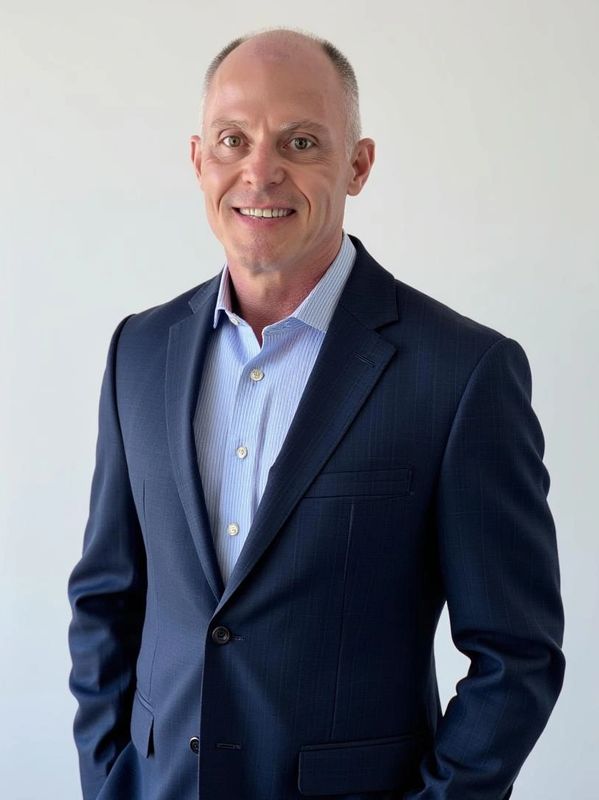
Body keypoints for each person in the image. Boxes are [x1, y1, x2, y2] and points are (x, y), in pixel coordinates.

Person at [67, 27, 565, 800]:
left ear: (357, 165)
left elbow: (516, 653)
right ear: (197, 159)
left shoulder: (461, 373)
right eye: (232, 140)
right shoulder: (140, 350)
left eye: (299, 142)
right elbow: (106, 598)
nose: (259, 171)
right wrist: (108, 781)